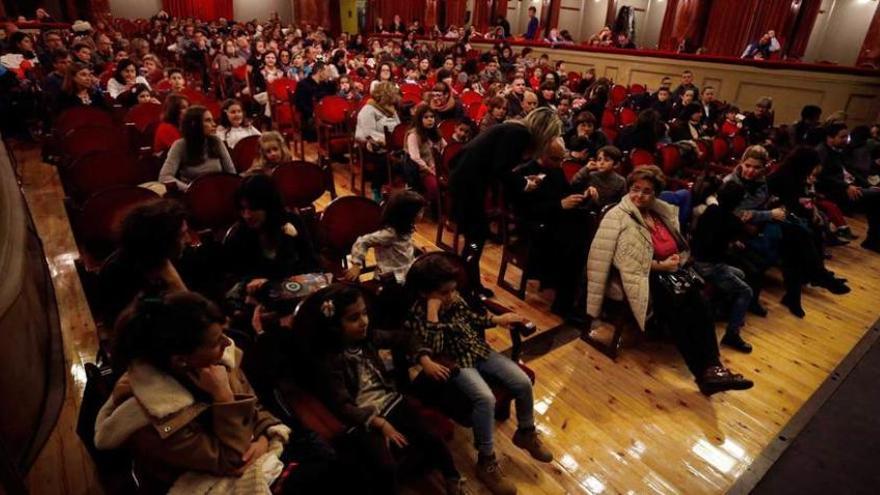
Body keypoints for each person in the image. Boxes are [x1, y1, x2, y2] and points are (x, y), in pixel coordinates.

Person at [95, 291, 333, 494]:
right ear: (180, 360)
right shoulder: (151, 416)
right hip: (206, 484)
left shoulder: (214, 364)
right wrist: (224, 399)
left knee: (336, 465)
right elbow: (230, 460)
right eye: (216, 341)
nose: (228, 344)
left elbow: (257, 408)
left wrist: (263, 438)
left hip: (259, 450)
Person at [586, 165, 754, 395]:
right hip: (645, 275)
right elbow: (622, 260)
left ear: (655, 194)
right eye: (635, 189)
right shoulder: (618, 216)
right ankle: (704, 373)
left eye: (647, 191)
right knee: (680, 312)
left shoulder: (658, 211)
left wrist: (679, 258)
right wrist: (661, 265)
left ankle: (715, 368)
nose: (640, 195)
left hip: (673, 270)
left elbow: (679, 242)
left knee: (702, 307)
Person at [405, 256, 552, 495]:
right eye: (444, 293)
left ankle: (526, 431)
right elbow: (434, 347)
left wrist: (496, 320)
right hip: (454, 362)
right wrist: (434, 313)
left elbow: (472, 320)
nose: (451, 296)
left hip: (478, 350)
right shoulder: (419, 314)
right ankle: (486, 459)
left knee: (522, 381)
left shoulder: (454, 299)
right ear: (425, 293)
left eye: (453, 290)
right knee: (486, 398)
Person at [449, 107, 563, 297]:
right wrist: (524, 183)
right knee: (475, 237)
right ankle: (468, 287)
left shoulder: (515, 131)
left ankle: (469, 283)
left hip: (469, 181)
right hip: (467, 183)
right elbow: (500, 169)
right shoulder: (519, 134)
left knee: (475, 237)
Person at [725, 146, 849, 317]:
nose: (751, 171)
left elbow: (770, 201)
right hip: (740, 228)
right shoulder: (731, 182)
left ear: (763, 168)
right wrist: (770, 213)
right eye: (748, 165)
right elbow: (737, 213)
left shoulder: (762, 181)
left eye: (757, 167)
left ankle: (795, 294)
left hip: (761, 221)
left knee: (796, 239)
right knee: (797, 234)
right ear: (741, 163)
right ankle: (815, 277)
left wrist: (775, 209)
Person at [506, 137, 594, 318]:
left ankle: (573, 295)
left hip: (553, 220)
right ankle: (563, 303)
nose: (560, 163)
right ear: (542, 154)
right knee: (572, 243)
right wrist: (560, 205)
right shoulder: (523, 172)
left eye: (562, 159)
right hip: (532, 224)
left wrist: (581, 195)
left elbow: (565, 192)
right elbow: (524, 210)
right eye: (556, 159)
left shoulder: (555, 169)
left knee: (585, 226)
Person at [97, 199, 189, 329]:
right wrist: (173, 284)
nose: (188, 240)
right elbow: (127, 323)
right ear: (163, 240)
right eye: (182, 235)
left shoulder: (169, 257)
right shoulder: (118, 272)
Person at [690, 181, 754, 352]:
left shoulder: (712, 210)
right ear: (738, 202)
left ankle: (721, 310)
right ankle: (732, 334)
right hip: (709, 265)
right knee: (746, 291)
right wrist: (733, 244)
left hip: (696, 258)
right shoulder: (734, 222)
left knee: (740, 274)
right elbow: (722, 248)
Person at [224, 174, 319, 287]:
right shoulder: (238, 236)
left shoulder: (293, 221)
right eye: (243, 209)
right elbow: (236, 276)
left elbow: (311, 262)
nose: (247, 215)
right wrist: (251, 282)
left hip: (296, 291)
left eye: (253, 208)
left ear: (269, 206)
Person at [816, 123, 880, 252]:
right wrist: (846, 186)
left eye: (847, 136)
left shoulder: (838, 152)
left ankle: (873, 240)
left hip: (847, 187)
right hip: (834, 191)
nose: (846, 140)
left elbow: (850, 171)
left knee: (876, 196)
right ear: (830, 137)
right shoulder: (821, 151)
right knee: (877, 199)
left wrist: (869, 186)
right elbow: (821, 176)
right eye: (842, 137)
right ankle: (873, 240)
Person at [344, 191, 425, 285]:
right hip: (391, 279)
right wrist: (356, 265)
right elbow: (363, 241)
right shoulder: (390, 234)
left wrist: (414, 247)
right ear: (408, 215)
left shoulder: (406, 228)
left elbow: (401, 245)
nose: (422, 214)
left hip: (404, 271)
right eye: (420, 212)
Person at [159, 105, 236, 192]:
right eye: (208, 121)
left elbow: (231, 173)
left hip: (218, 191)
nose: (214, 124)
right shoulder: (180, 145)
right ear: (194, 124)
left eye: (212, 120)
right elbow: (165, 177)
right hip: (193, 195)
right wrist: (191, 189)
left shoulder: (216, 141)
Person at [355, 81, 401, 199]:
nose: (394, 100)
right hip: (370, 146)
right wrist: (385, 140)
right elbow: (367, 133)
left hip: (391, 144)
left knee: (406, 158)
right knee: (385, 159)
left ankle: (401, 191)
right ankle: (376, 188)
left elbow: (398, 125)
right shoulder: (368, 109)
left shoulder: (391, 109)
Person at [405, 103, 445, 204]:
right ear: (419, 119)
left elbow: (445, 147)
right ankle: (434, 210)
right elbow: (415, 158)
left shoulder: (435, 132)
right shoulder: (413, 135)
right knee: (434, 186)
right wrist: (430, 170)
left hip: (438, 168)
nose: (430, 119)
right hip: (422, 171)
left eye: (432, 117)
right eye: (426, 117)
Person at [569, 145, 627, 210]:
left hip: (609, 213)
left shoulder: (621, 181)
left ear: (616, 164)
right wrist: (586, 168)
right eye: (599, 159)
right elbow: (573, 184)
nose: (601, 163)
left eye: (606, 160)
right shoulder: (591, 175)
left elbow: (621, 204)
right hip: (589, 211)